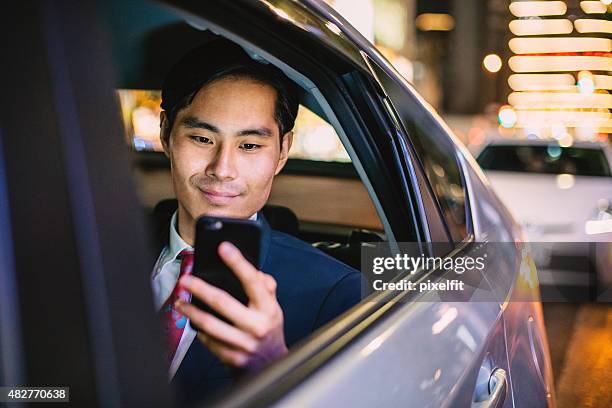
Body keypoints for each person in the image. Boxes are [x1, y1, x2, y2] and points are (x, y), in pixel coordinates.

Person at [150, 37, 362, 405]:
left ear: (282, 153)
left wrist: (273, 368)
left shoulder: (336, 292)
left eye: (249, 146)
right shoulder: (92, 253)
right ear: (166, 134)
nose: (222, 169)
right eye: (202, 138)